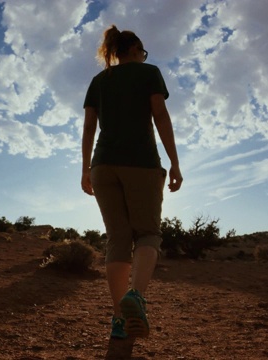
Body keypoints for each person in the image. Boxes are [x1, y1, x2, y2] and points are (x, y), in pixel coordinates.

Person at [81, 25, 183, 340]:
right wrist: (175, 162)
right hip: (140, 162)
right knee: (149, 234)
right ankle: (136, 296)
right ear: (136, 48)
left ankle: (119, 320)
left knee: (118, 239)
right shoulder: (148, 72)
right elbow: (161, 117)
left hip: (102, 165)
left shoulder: (99, 80)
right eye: (143, 51)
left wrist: (85, 169)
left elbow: (88, 129)